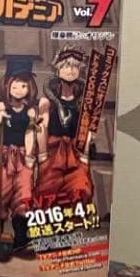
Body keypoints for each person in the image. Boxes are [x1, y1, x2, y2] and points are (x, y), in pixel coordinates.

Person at [0, 57, 38, 253]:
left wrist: (30, 156)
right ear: (7, 86)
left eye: (23, 85)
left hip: (22, 155)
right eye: (14, 85)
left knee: (23, 194)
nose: (18, 89)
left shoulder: (31, 112)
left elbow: (30, 133)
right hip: (2, 154)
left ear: (29, 87)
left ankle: (21, 237)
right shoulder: (2, 107)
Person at [35, 48, 94, 208]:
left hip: (75, 152)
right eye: (66, 66)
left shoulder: (83, 102)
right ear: (58, 69)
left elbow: (87, 128)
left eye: (75, 66)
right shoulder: (47, 102)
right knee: (47, 191)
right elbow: (42, 126)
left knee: (80, 189)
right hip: (53, 151)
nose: (71, 70)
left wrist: (84, 155)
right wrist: (42, 155)